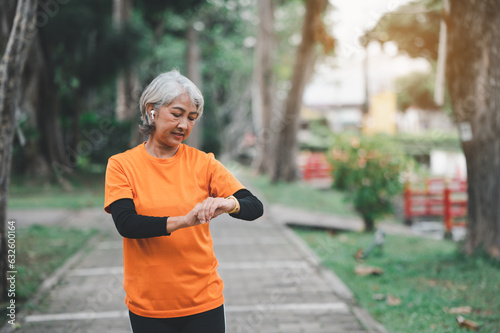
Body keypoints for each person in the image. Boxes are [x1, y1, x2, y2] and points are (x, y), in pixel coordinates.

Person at [104, 69, 264, 333]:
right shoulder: (122, 165)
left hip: (204, 302)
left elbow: (254, 206)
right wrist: (184, 221)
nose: (184, 125)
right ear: (151, 110)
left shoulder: (203, 163)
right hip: (149, 305)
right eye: (176, 114)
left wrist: (229, 204)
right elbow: (127, 224)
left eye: (191, 118)